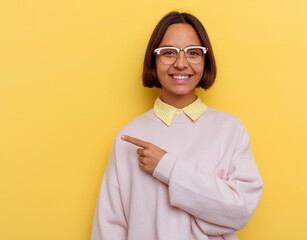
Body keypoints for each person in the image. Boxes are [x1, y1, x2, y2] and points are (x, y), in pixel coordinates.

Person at [91, 11, 263, 240]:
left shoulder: (229, 129)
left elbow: (239, 211)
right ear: (153, 59)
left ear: (205, 60)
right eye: (168, 53)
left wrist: (167, 167)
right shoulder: (129, 136)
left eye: (193, 53)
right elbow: (110, 225)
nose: (181, 64)